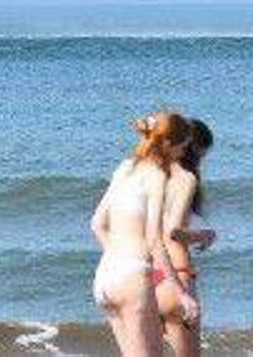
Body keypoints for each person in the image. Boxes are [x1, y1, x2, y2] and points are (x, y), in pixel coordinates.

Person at [91, 111, 198, 357]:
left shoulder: (124, 168)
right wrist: (182, 295)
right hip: (132, 280)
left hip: (105, 279)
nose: (183, 153)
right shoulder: (157, 176)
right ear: (168, 144)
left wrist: (120, 260)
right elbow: (154, 241)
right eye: (182, 147)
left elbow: (97, 223)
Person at [156, 119, 216, 357]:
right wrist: (205, 234)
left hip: (150, 277)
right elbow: (173, 231)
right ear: (193, 149)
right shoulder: (186, 179)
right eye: (203, 154)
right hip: (177, 275)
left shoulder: (153, 175)